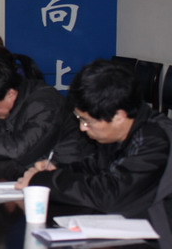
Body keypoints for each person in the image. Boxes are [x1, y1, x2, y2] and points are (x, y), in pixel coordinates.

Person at [17, 60, 172, 221]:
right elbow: (95, 166)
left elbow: (112, 196)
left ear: (119, 116)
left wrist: (44, 181)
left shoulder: (155, 139)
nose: (82, 128)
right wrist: (57, 169)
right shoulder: (119, 130)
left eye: (87, 121)